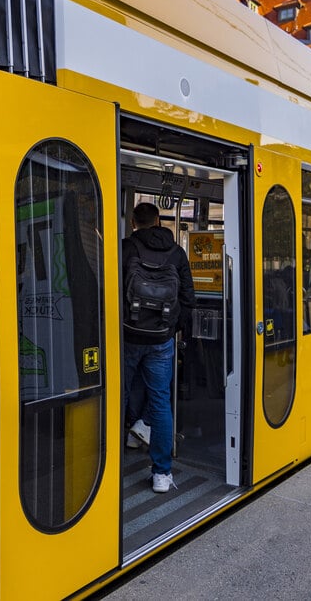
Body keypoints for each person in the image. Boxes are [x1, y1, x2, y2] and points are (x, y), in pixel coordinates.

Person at [122, 202, 195, 493]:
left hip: (128, 336)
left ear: (134, 222)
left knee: (119, 394)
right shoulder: (177, 252)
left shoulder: (126, 248)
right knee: (161, 402)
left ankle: (111, 463)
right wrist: (170, 329)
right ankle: (162, 474)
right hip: (161, 339)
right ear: (157, 220)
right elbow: (188, 297)